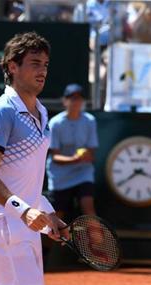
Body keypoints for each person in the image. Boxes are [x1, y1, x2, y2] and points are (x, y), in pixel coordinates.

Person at [0, 31, 69, 285]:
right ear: (12, 67)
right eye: (34, 63)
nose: (42, 70)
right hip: (1, 222)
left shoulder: (41, 113)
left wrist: (49, 214)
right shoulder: (2, 111)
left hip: (25, 224)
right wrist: (23, 210)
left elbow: (26, 180)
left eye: (45, 64)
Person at [46, 83, 99, 223]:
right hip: (60, 177)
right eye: (72, 98)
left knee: (88, 209)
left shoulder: (90, 121)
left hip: (83, 173)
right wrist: (75, 158)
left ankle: (99, 245)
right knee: (57, 217)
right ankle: (45, 246)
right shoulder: (55, 123)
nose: (75, 102)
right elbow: (55, 157)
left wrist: (87, 156)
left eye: (79, 98)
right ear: (65, 101)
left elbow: (92, 151)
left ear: (83, 101)